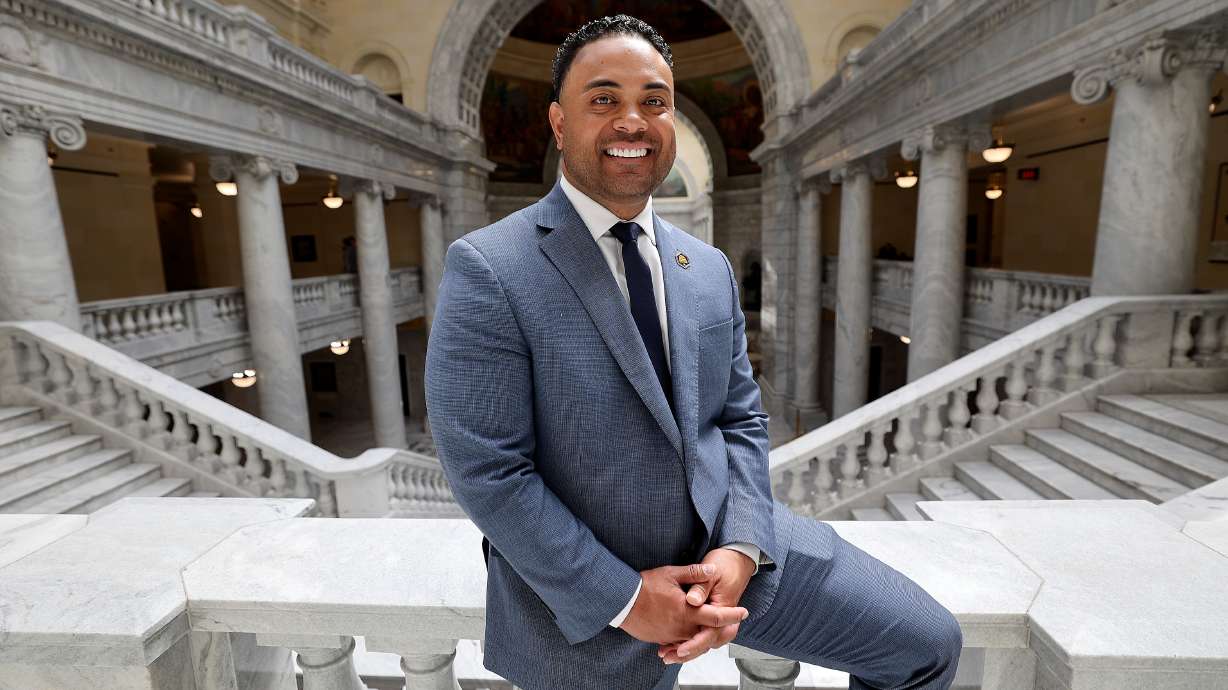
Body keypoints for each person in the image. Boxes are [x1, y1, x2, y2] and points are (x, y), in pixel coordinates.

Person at [425, 15, 962, 690]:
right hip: (586, 598)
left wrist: (739, 547)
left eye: (653, 101)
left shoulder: (704, 266)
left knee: (927, 644)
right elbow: (487, 472)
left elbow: (740, 419)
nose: (632, 120)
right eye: (604, 99)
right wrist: (626, 598)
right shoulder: (489, 267)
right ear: (560, 124)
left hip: (734, 563)